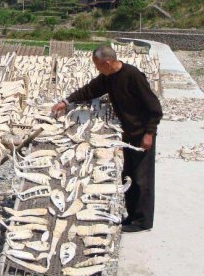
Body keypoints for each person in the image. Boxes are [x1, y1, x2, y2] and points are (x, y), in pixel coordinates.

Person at [50, 45, 162, 232]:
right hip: (127, 134)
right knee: (129, 175)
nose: (97, 69)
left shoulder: (133, 76)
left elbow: (155, 107)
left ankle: (142, 222)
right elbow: (90, 90)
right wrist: (66, 102)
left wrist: (149, 133)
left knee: (143, 178)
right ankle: (131, 216)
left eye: (98, 66)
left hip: (142, 134)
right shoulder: (109, 77)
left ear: (107, 63)